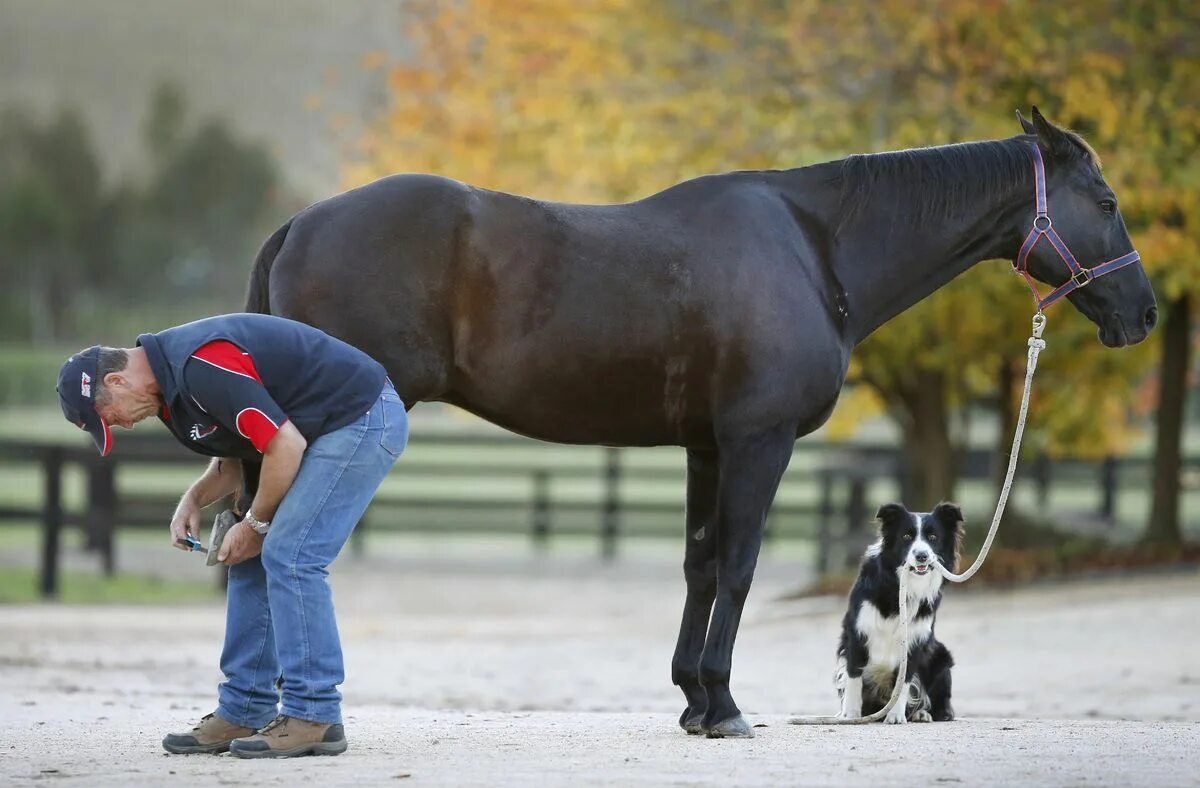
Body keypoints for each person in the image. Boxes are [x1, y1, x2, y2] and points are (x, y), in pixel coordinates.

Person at [55, 313, 408, 758]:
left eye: (109, 417)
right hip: (309, 433)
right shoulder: (167, 389)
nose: (122, 426)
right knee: (246, 556)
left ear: (117, 381)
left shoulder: (200, 366)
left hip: (358, 418)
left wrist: (256, 524)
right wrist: (194, 498)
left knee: (290, 554)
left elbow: (285, 445)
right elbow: (239, 448)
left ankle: (314, 715)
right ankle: (244, 709)